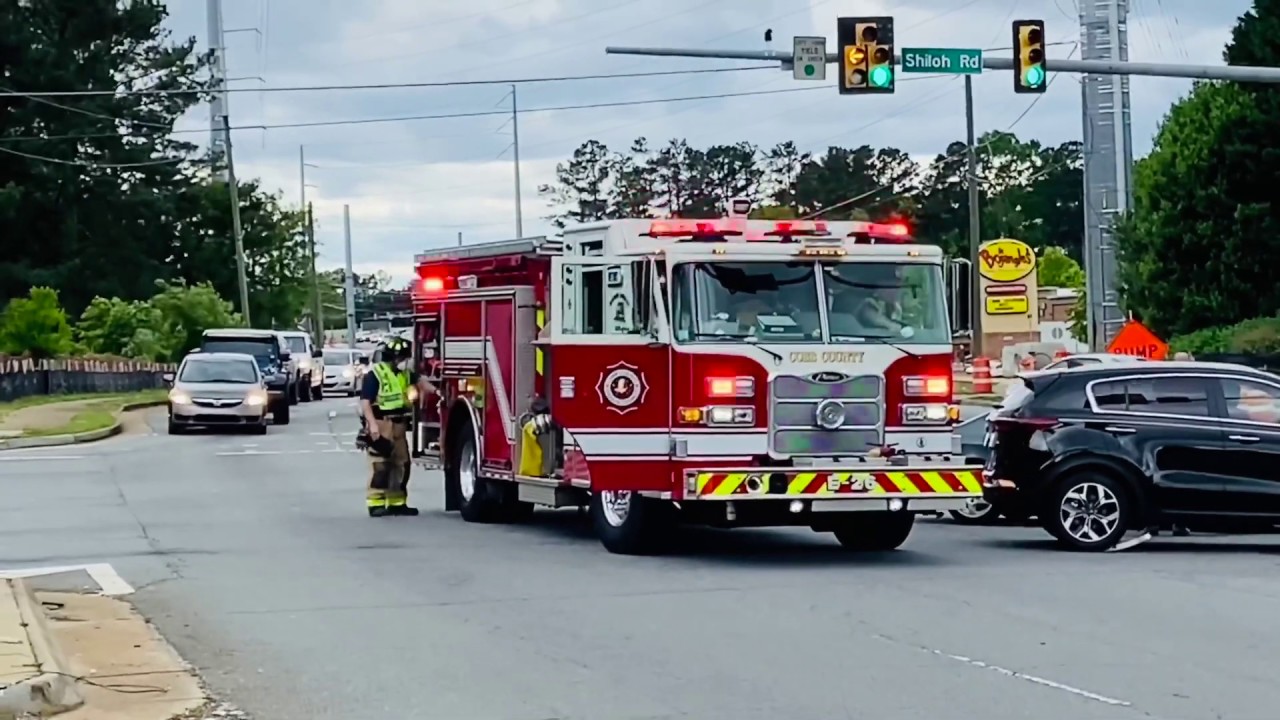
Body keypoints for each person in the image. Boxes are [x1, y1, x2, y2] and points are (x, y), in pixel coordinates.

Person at [360, 336, 436, 517]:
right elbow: (365, 403)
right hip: (381, 423)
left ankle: (397, 502)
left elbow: (424, 384)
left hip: (399, 425)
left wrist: (439, 392)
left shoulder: (404, 374)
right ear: (394, 358)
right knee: (380, 466)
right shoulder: (375, 374)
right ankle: (376, 502)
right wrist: (372, 426)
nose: (405, 362)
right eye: (402, 358)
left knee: (402, 464)